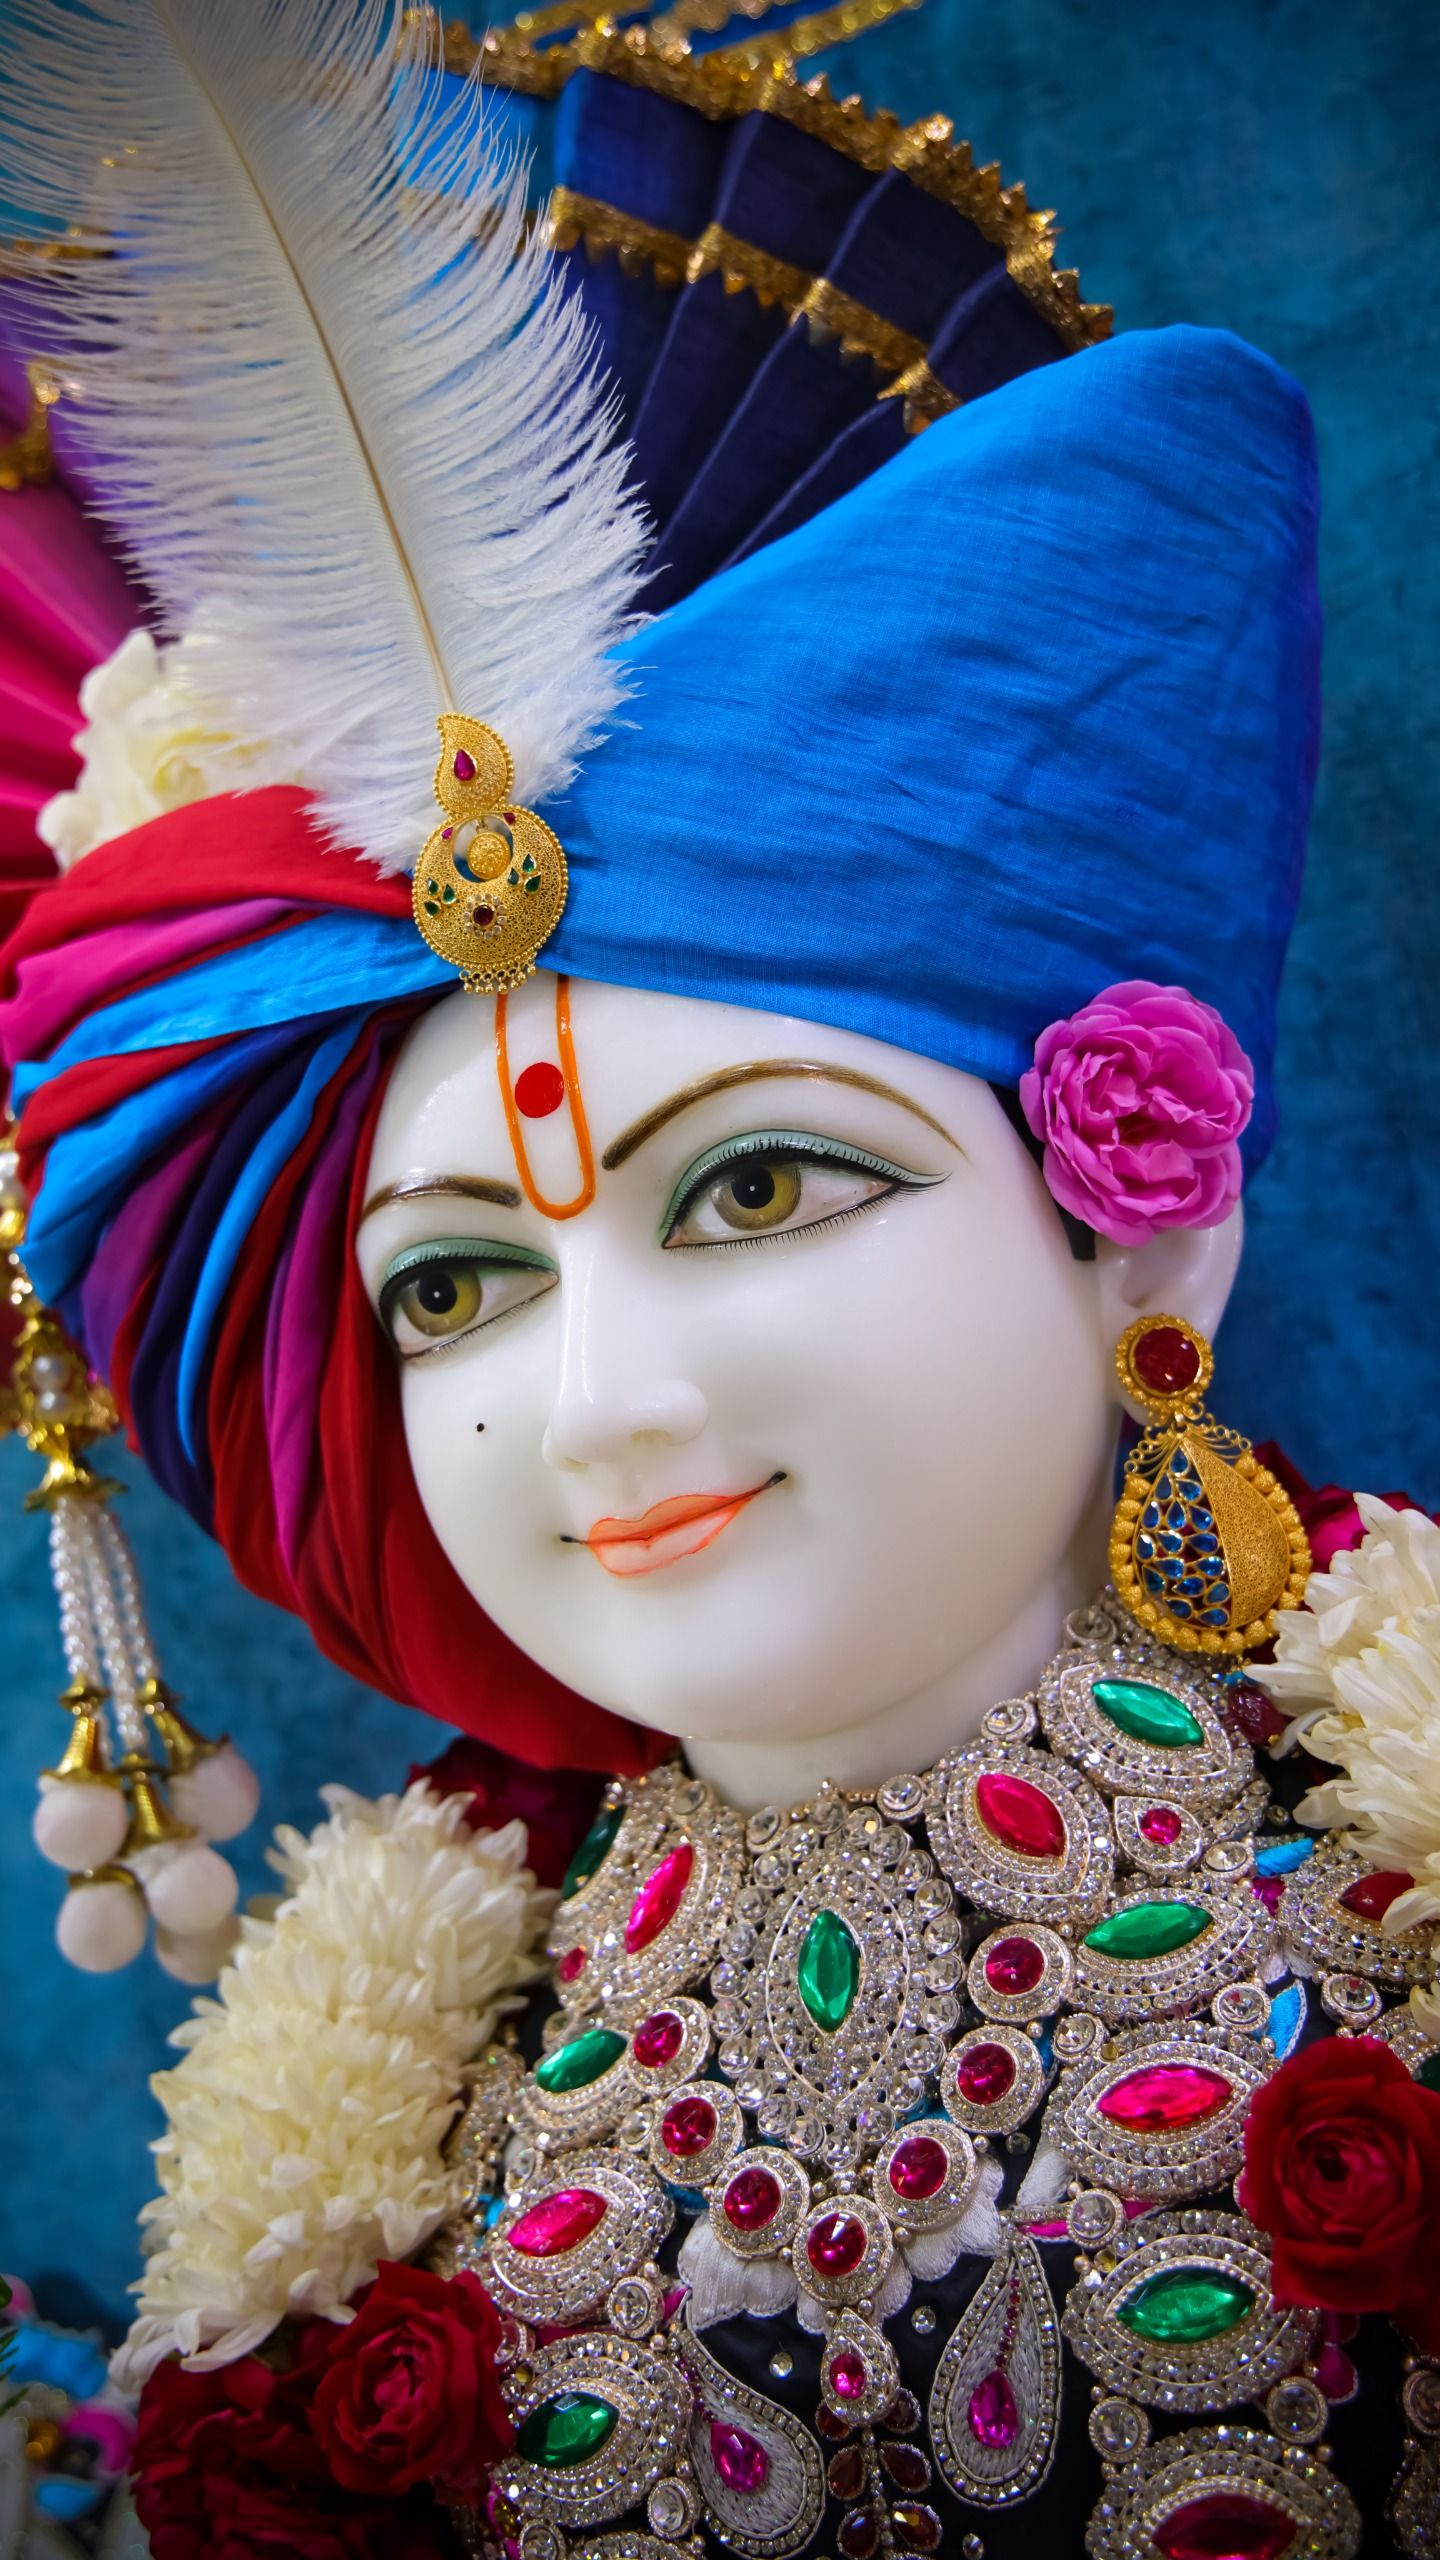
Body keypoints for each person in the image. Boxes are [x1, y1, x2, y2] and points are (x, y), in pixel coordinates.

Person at [2, 2, 1437, 2553]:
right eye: (453, 1290)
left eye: (758, 1189)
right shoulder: (402, 2105)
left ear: (1148, 1210)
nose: (598, 1406)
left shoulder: (1399, 1898)